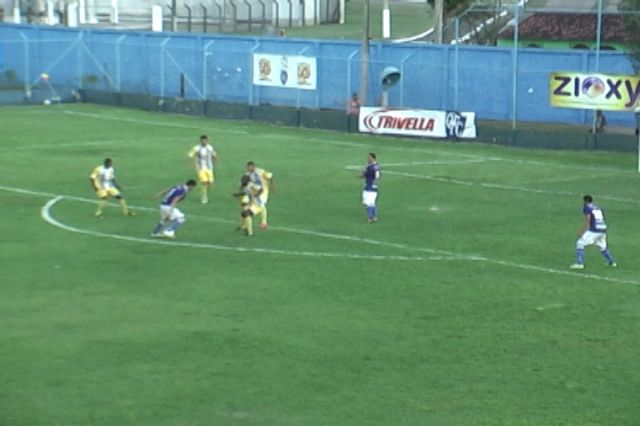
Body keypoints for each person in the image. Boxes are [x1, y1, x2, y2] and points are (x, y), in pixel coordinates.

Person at [570, 194, 617, 270]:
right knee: (602, 246)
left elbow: (588, 221)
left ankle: (579, 263)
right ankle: (611, 262)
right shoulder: (598, 208)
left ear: (586, 201)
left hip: (594, 230)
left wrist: (582, 231)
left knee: (580, 244)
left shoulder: (587, 208)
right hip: (603, 229)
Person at [188, 135, 218, 204]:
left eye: (205, 141)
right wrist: (191, 164)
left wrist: (216, 160)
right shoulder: (197, 148)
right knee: (204, 182)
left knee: (210, 183)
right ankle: (204, 197)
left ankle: (204, 193)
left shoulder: (210, 147)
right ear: (200, 141)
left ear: (207, 141)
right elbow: (190, 155)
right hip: (201, 168)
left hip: (209, 168)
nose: (204, 142)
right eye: (202, 141)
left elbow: (214, 154)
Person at [245, 161, 275, 229]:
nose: (248, 169)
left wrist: (272, 186)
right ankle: (261, 222)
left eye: (250, 167)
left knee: (261, 203)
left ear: (254, 166)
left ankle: (264, 223)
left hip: (263, 191)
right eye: (248, 167)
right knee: (257, 204)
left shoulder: (260, 172)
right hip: (255, 191)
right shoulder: (247, 174)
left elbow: (270, 177)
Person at [361, 153, 381, 223]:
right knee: (366, 202)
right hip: (367, 186)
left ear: (373, 158)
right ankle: (374, 216)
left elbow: (377, 176)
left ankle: (370, 218)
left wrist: (375, 183)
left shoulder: (375, 166)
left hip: (372, 187)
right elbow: (364, 174)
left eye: (369, 157)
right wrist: (362, 174)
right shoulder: (368, 166)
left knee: (369, 203)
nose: (368, 158)